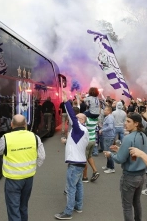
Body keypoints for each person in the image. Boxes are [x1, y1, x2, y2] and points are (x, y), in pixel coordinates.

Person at [0, 114, 45, 221]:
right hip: (28, 179)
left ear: (12, 125)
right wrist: (33, 166)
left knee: (13, 209)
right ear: (25, 125)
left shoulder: (6, 138)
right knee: (23, 206)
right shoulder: (34, 137)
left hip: (13, 180)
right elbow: (42, 156)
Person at [104, 112, 147, 221]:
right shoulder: (143, 136)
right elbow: (133, 153)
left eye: (128, 121)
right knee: (136, 202)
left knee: (127, 206)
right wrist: (120, 150)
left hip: (130, 177)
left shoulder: (128, 138)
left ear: (136, 123)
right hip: (141, 175)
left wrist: (110, 154)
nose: (125, 124)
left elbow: (120, 159)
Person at [55, 91, 89, 220]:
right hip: (80, 162)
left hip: (75, 164)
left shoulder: (78, 129)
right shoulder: (82, 131)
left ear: (80, 120)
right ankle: (78, 206)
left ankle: (68, 212)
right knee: (78, 185)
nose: (74, 118)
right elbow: (74, 144)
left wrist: (66, 102)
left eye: (77, 117)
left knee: (70, 188)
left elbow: (73, 118)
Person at [99, 106, 116, 173]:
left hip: (109, 137)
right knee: (106, 152)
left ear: (109, 111)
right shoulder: (108, 117)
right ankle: (108, 166)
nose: (104, 111)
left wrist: (102, 130)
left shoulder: (109, 118)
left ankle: (111, 168)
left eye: (105, 110)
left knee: (108, 152)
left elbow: (110, 127)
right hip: (107, 136)